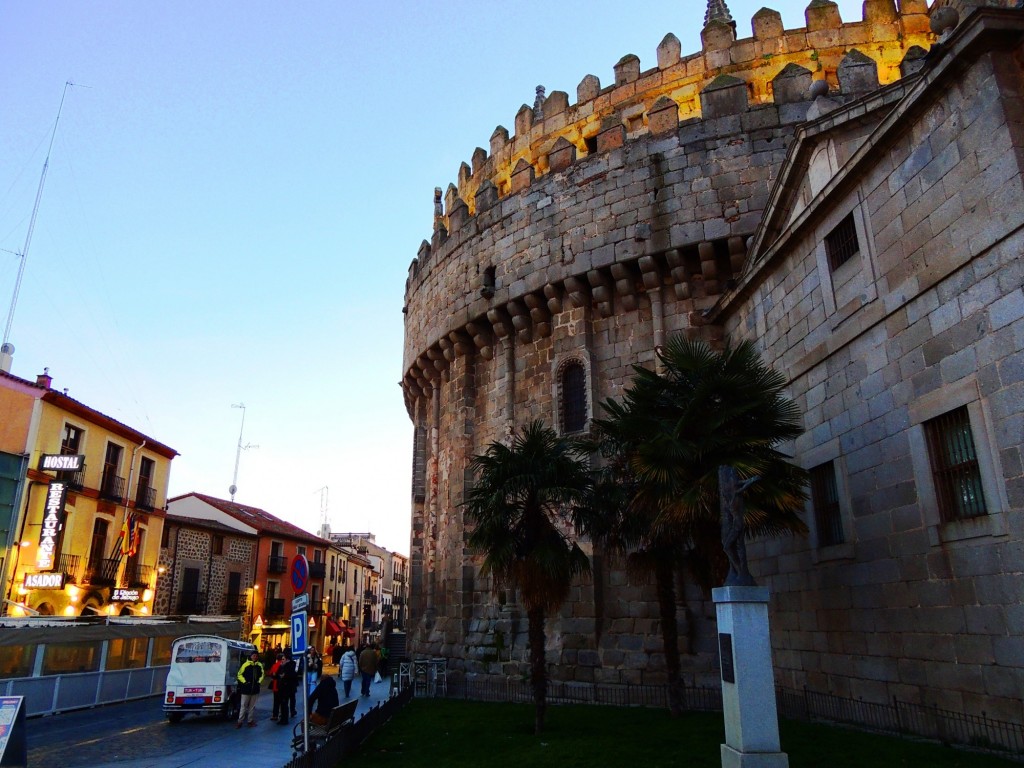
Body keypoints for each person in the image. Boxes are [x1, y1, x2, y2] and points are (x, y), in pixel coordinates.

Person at [235, 650, 264, 728]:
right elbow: (239, 675)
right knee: (243, 706)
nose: (255, 657)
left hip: (255, 689)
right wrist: (245, 682)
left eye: (256, 656)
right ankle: (240, 721)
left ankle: (250, 721)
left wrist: (258, 682)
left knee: (252, 707)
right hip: (246, 689)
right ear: (251, 656)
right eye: (253, 655)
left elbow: (262, 675)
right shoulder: (245, 665)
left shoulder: (259, 665)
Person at [275, 650, 299, 725]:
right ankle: (285, 716)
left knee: (285, 703)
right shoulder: (284, 665)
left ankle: (285, 719)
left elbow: (292, 675)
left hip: (286, 688)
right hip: (285, 687)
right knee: (285, 703)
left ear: (287, 659)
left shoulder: (289, 666)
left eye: (283, 659)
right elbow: (277, 674)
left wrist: (284, 676)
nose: (282, 661)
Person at [268, 652, 285, 722]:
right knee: (282, 700)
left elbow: (271, 674)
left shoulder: (275, 665)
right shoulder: (283, 665)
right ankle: (281, 713)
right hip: (281, 685)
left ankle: (275, 715)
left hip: (275, 685)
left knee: (276, 701)